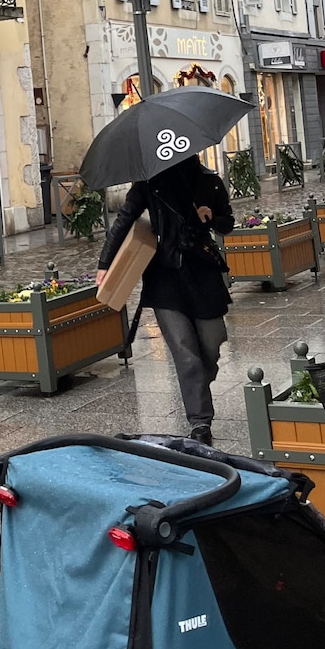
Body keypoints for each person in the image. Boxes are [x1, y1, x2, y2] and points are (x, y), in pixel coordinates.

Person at [96, 154, 235, 446]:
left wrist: (212, 217)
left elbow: (227, 223)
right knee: (186, 353)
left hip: (203, 273)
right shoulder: (149, 183)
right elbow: (124, 221)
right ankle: (200, 422)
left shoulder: (209, 181)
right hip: (165, 278)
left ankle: (196, 387)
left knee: (211, 345)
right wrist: (105, 264)